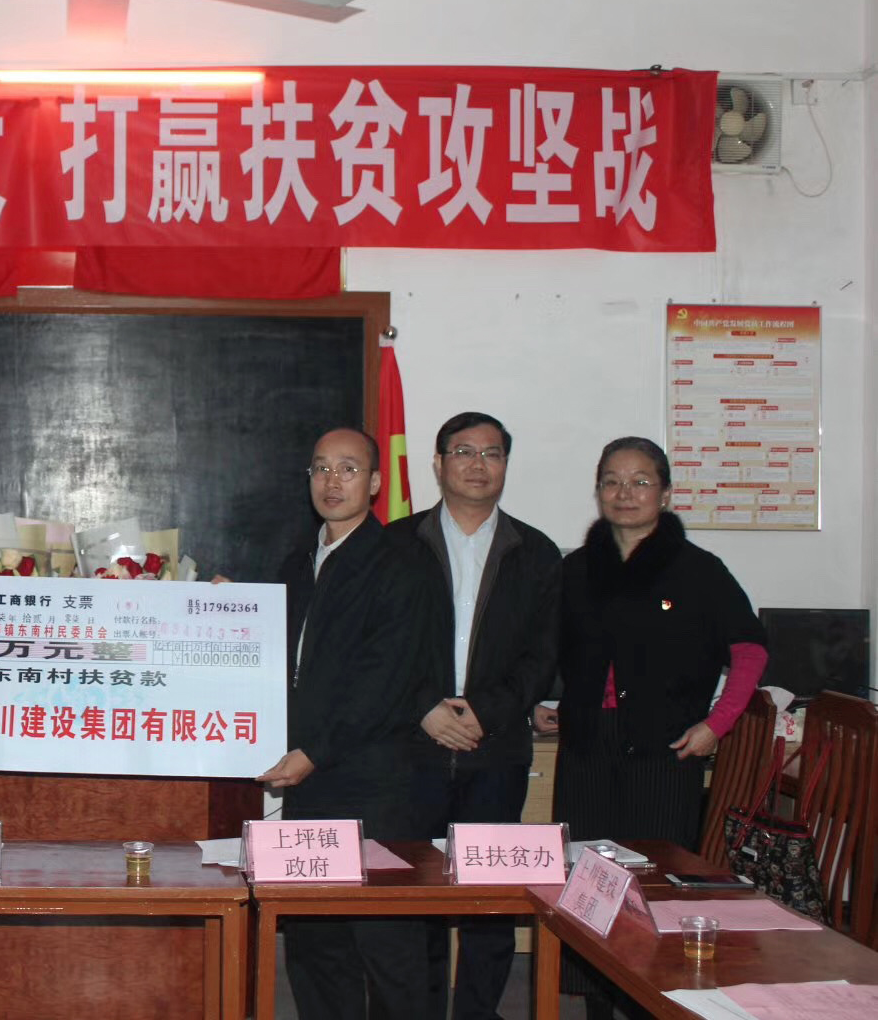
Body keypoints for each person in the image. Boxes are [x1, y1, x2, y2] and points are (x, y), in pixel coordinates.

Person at [551, 436, 768, 1018]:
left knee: (654, 887)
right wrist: (546, 702)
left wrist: (717, 724)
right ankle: (596, 1004)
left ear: (666, 493)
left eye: (641, 481)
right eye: (613, 481)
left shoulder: (697, 570)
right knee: (588, 883)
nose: (625, 493)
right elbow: (553, 649)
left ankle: (653, 1002)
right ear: (598, 491)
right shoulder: (575, 569)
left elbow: (749, 650)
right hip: (588, 746)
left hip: (664, 750)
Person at [257, 426, 437, 1020]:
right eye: (320, 468)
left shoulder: (402, 562)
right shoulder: (297, 562)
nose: (332, 481)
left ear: (376, 483)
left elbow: (383, 681)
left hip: (373, 784)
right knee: (315, 943)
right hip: (308, 783)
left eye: (349, 469)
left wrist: (314, 751)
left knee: (385, 943)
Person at [387, 412, 561, 1020]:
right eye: (464, 451)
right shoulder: (395, 544)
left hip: (496, 749)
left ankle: (478, 1012)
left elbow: (543, 653)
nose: (478, 465)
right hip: (411, 747)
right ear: (438, 464)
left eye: (492, 453)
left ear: (506, 466)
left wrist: (484, 712)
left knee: (491, 897)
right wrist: (424, 708)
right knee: (418, 895)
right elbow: (376, 645)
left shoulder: (536, 552)